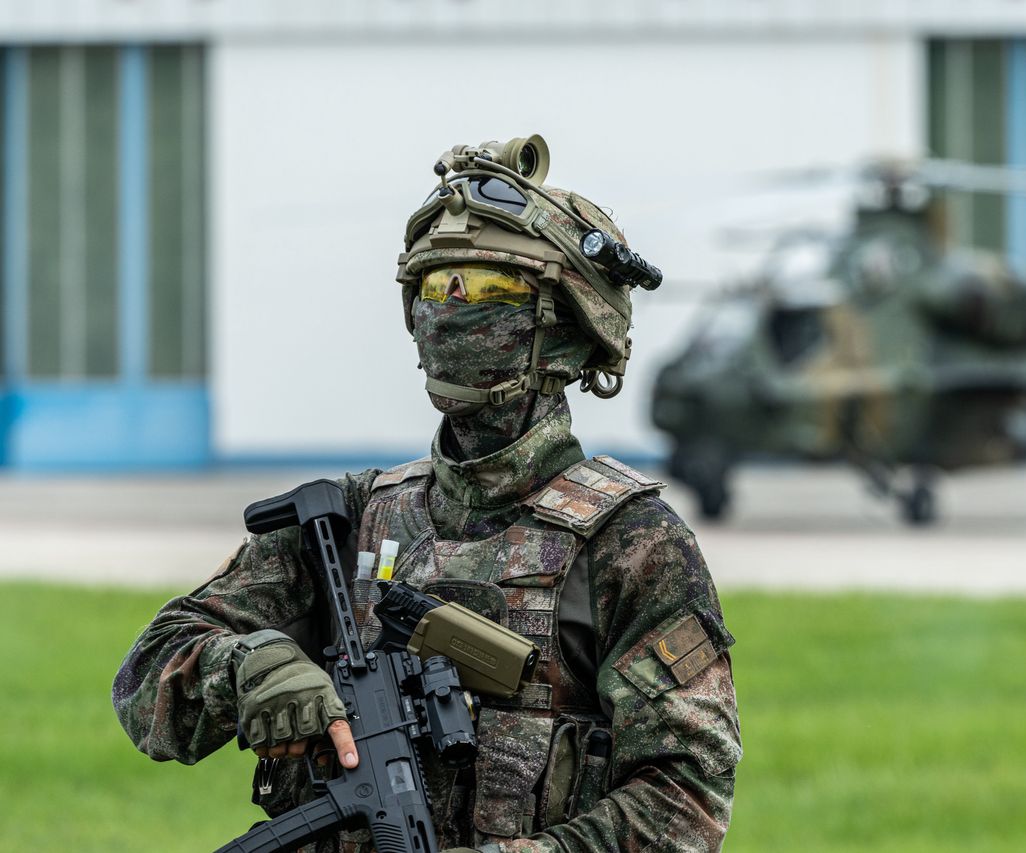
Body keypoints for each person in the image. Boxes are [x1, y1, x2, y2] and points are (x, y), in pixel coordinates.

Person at [112, 135, 742, 852]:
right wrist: (247, 667)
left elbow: (688, 798)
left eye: (487, 290)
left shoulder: (632, 544)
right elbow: (145, 677)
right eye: (436, 288)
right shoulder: (348, 520)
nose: (452, 310)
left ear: (565, 332)